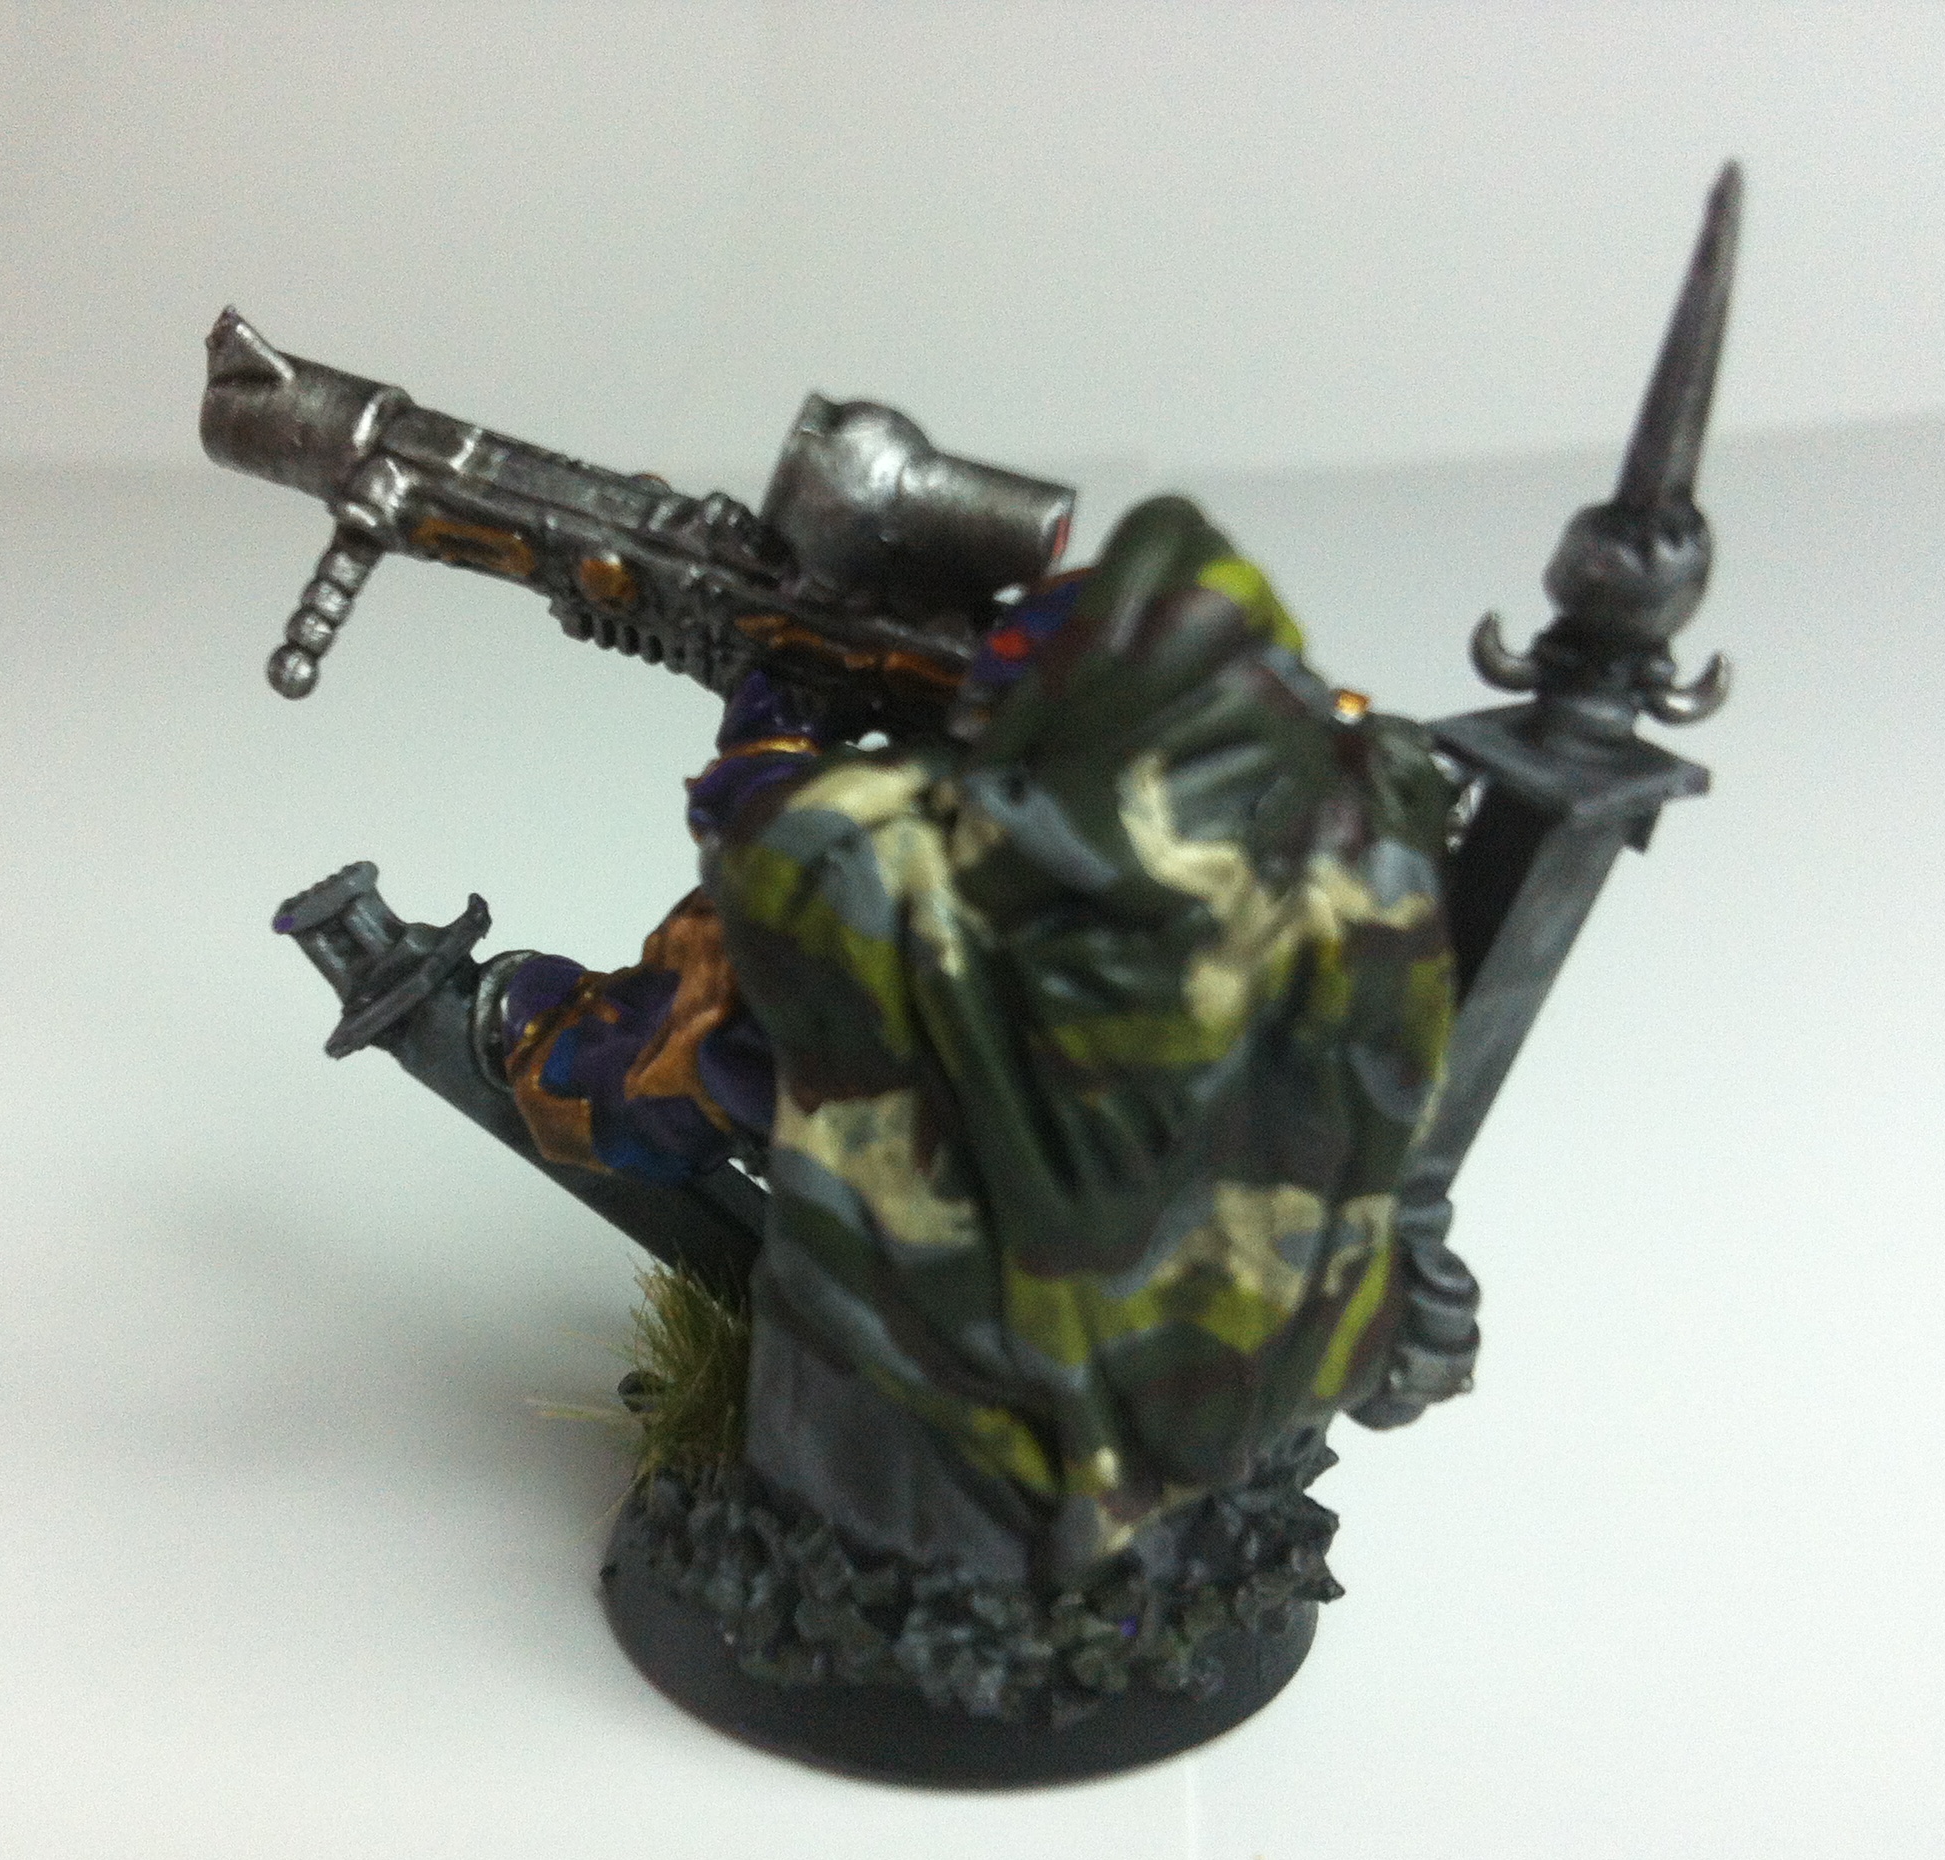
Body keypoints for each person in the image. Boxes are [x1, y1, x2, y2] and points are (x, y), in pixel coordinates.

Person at [501, 496, 1456, 1587]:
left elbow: (783, 848)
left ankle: (556, 1064)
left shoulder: (916, 883)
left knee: (733, 1011)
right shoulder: (1371, 852)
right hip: (1239, 1357)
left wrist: (773, 722)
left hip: (955, 1437)